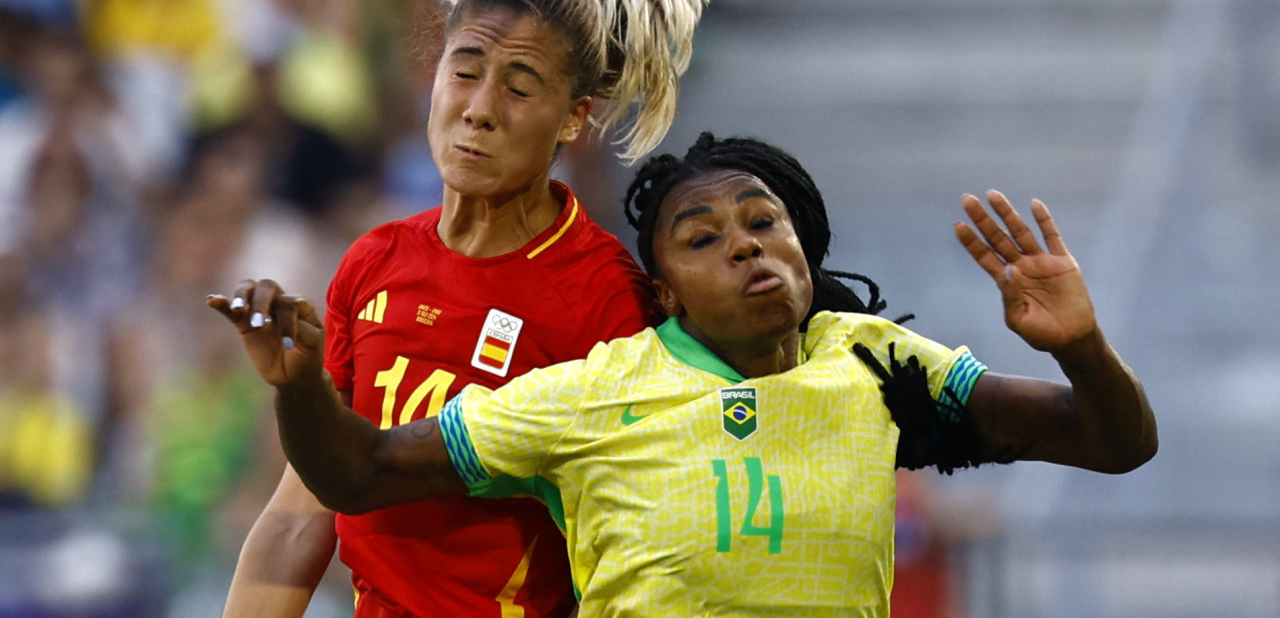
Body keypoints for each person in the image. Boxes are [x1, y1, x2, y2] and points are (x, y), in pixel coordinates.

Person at [214, 132, 1158, 616]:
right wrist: (302, 388)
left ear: (803, 243)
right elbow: (361, 474)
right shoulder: (598, 389)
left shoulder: (874, 363)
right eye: (703, 239)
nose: (746, 247)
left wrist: (1078, 344)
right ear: (664, 293)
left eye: (763, 222)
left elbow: (1117, 444)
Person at [206, 0, 709, 618]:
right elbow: (296, 519)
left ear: (574, 117)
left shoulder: (608, 303)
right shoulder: (374, 262)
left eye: (519, 85)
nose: (479, 109)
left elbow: (646, 554)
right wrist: (301, 390)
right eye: (465, 71)